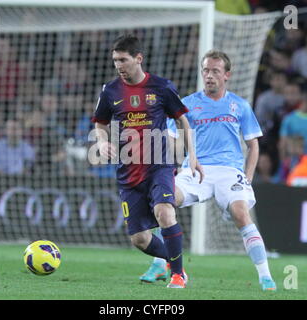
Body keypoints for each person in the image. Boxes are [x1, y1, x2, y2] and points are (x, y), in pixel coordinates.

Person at [140, 50, 277, 291]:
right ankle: (161, 263)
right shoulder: (188, 105)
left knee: (241, 214)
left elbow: (253, 145)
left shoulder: (240, 105)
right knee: (164, 201)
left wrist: (248, 177)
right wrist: (166, 168)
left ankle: (266, 276)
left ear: (227, 75)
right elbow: (172, 141)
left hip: (229, 171)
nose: (209, 75)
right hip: (196, 169)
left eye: (215, 71)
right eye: (206, 70)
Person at [91, 35, 203, 289]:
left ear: (138, 58)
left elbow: (182, 122)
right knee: (139, 239)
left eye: (123, 59)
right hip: (128, 172)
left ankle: (177, 276)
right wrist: (101, 142)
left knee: (164, 211)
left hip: (159, 165)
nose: (118, 65)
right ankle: (176, 264)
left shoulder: (162, 87)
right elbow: (100, 123)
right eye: (115, 60)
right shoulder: (110, 91)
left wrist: (192, 157)